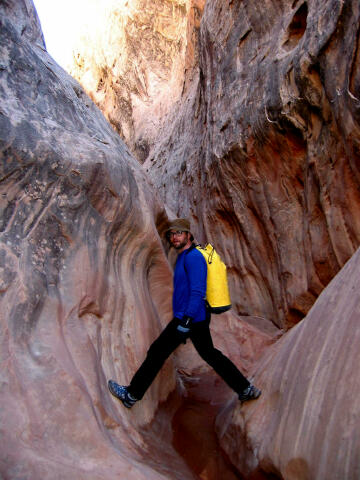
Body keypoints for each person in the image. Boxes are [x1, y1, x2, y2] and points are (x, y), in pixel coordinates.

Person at [108, 218, 261, 408]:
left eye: (179, 233)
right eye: (172, 234)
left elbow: (198, 291)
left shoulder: (194, 257)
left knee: (157, 352)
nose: (175, 237)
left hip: (190, 318)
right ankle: (245, 389)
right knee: (210, 354)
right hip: (195, 317)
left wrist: (186, 321)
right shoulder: (183, 257)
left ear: (188, 235)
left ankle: (131, 395)